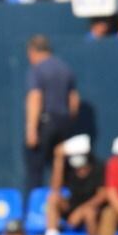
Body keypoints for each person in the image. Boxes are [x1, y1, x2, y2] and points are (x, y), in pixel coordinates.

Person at [24, 35, 79, 193]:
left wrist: (32, 129)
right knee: (63, 166)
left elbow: (35, 98)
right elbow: (74, 101)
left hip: (45, 123)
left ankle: (35, 205)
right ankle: (65, 201)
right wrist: (69, 124)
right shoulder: (65, 68)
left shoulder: (37, 69)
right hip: (64, 123)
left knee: (35, 169)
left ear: (33, 51)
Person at [45, 134, 104, 235]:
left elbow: (103, 195)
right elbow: (55, 188)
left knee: (89, 213)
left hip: (92, 209)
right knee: (53, 198)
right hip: (72, 207)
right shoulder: (68, 167)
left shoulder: (98, 167)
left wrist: (81, 210)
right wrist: (58, 159)